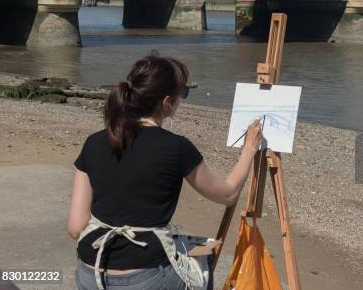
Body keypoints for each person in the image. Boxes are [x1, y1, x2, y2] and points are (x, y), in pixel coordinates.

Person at [67, 52, 263, 290]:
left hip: (90, 272)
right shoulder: (175, 147)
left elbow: (76, 227)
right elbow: (227, 194)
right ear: (167, 102)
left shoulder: (94, 142)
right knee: (201, 264)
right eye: (184, 93)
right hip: (144, 278)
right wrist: (250, 149)